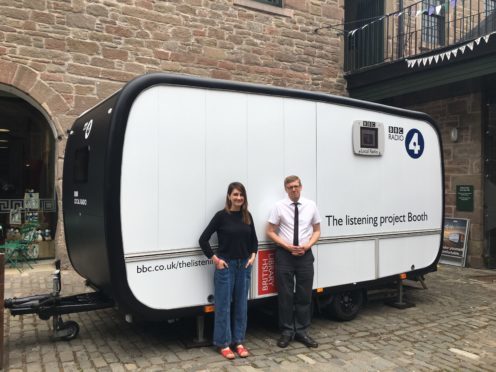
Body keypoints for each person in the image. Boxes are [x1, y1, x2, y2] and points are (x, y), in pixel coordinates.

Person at [199, 182, 258, 360]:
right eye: (235, 194)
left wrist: (253, 256)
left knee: (241, 305)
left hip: (244, 267)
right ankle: (223, 343)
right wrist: (215, 259)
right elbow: (203, 239)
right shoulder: (221, 216)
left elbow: (254, 240)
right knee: (223, 306)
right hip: (226, 267)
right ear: (229, 196)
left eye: (241, 195)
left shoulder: (247, 216)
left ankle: (238, 341)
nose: (238, 198)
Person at [267, 175, 321, 349]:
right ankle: (287, 332)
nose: (294, 189)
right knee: (286, 295)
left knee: (305, 295)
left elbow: (317, 230)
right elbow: (270, 231)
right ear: (286, 189)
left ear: (301, 187)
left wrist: (307, 246)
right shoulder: (278, 207)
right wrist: (287, 246)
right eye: (290, 187)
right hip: (285, 255)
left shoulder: (311, 205)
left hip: (305, 255)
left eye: (296, 186)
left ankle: (302, 331)